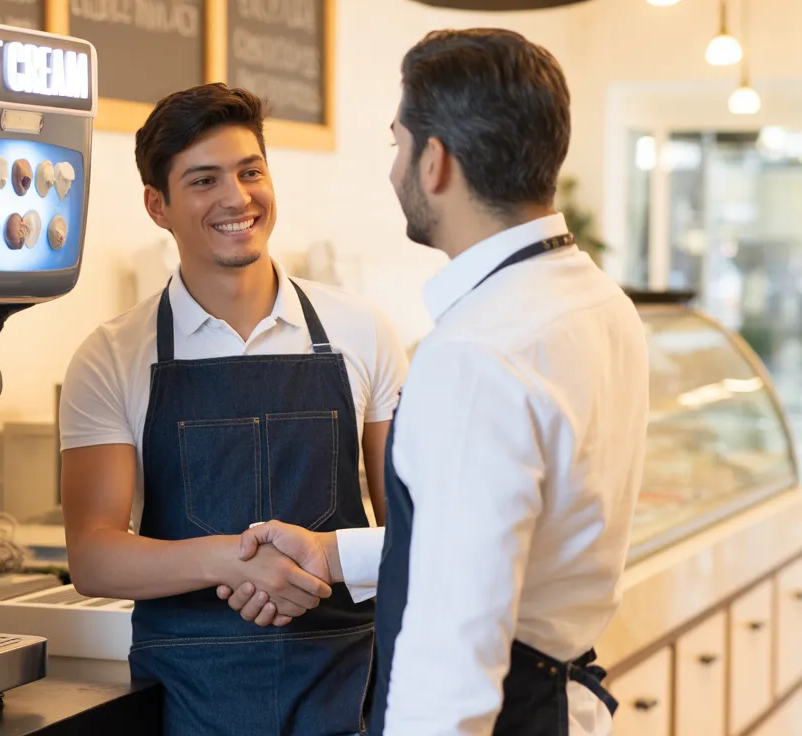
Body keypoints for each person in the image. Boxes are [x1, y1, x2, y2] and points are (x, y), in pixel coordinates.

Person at [219, 29, 650, 735]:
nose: (394, 169)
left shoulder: (476, 353)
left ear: (435, 161)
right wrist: (333, 553)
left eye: (398, 144)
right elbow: (492, 540)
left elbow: (452, 660)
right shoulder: (597, 299)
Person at [58, 82, 409, 735]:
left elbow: (414, 533)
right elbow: (93, 556)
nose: (237, 198)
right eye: (204, 180)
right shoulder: (111, 356)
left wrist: (323, 560)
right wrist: (230, 559)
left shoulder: (362, 332)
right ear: (157, 206)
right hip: (190, 692)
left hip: (348, 679)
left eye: (251, 172)